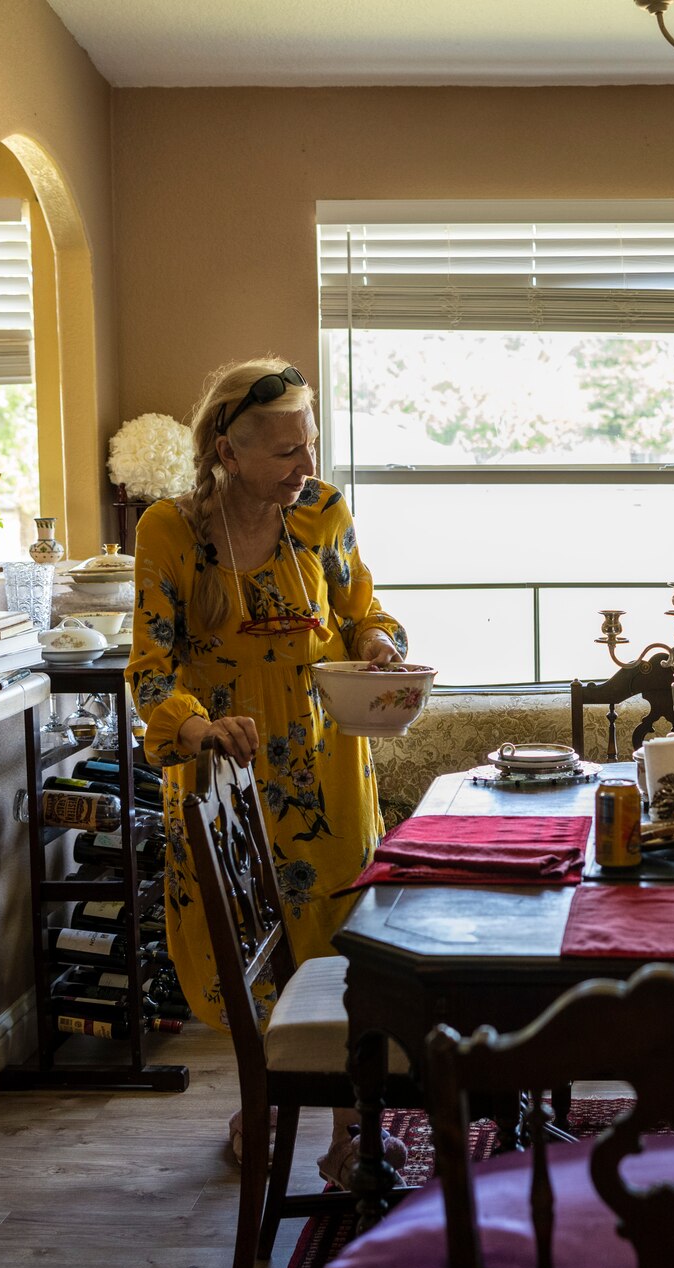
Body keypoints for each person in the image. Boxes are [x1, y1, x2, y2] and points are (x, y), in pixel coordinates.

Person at [126, 357, 408, 1187]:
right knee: (245, 950)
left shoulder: (322, 512)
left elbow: (363, 606)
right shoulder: (169, 532)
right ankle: (267, 1094)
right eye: (287, 451)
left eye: (310, 444)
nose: (307, 466)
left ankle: (350, 1134)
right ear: (228, 449)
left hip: (328, 768)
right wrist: (199, 725)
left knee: (347, 945)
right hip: (227, 776)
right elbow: (150, 671)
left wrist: (376, 642)